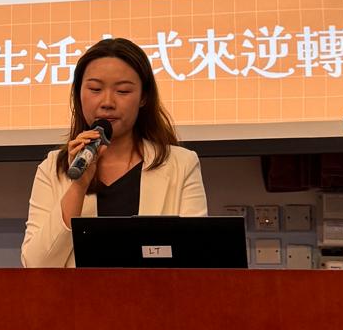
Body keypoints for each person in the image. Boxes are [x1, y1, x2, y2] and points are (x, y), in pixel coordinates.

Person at [21, 37, 207, 268]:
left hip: (156, 291)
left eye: (123, 91)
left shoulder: (181, 164)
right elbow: (36, 266)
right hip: (77, 292)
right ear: (78, 94)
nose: (107, 102)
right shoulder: (52, 168)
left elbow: (197, 260)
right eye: (95, 89)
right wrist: (78, 186)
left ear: (144, 97)